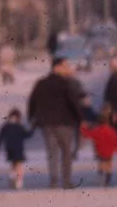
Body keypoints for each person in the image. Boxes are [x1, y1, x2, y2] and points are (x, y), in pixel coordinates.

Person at [27, 53, 91, 189]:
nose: (68, 68)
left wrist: (32, 117)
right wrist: (81, 119)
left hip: (47, 124)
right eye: (65, 66)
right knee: (66, 152)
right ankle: (66, 181)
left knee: (52, 153)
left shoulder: (41, 83)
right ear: (57, 67)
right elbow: (73, 102)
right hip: (64, 123)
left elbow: (32, 101)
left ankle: (54, 181)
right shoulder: (65, 84)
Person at [0, 107, 31, 190]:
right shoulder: (19, 126)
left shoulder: (5, 126)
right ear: (18, 117)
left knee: (13, 165)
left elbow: (0, 137)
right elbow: (27, 135)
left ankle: (12, 177)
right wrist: (33, 128)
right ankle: (18, 181)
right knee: (19, 166)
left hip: (9, 149)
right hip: (18, 149)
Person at [83, 113, 117, 186]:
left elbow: (87, 134)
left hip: (100, 151)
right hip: (109, 151)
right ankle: (107, 180)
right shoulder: (111, 130)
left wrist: (83, 128)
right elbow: (116, 140)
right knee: (109, 166)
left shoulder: (96, 130)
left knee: (101, 164)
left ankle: (101, 177)